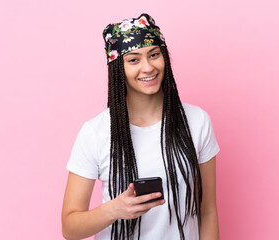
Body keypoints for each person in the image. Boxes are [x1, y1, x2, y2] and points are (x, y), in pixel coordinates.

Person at [62, 13, 220, 240]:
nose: (148, 68)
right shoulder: (95, 133)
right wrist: (114, 210)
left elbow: (207, 211)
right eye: (134, 60)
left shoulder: (197, 121)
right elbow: (69, 227)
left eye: (154, 55)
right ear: (118, 69)